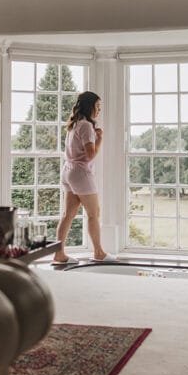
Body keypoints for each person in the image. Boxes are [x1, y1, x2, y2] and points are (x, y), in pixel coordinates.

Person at [52, 91, 117, 264]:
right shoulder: (87, 126)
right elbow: (89, 155)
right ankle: (99, 253)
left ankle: (59, 254)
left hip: (68, 171)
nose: (99, 110)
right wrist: (100, 139)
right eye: (97, 107)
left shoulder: (73, 124)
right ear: (90, 107)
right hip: (80, 173)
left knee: (68, 214)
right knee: (94, 213)